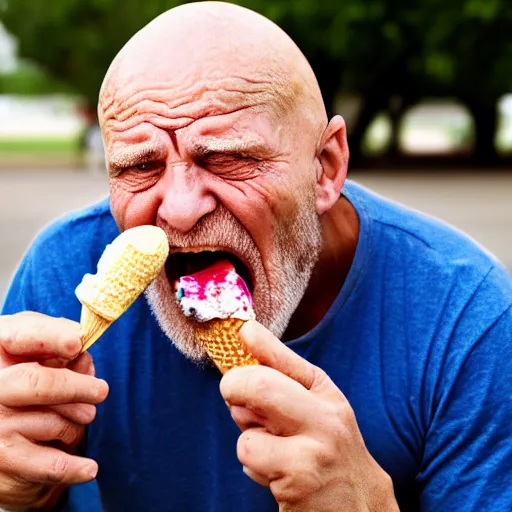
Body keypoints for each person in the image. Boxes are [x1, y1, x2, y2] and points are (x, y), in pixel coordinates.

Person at [0, 2, 511, 511]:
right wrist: (21, 489)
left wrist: (366, 504)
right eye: (139, 165)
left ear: (326, 167)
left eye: (227, 158)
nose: (177, 210)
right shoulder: (60, 275)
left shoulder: (467, 319)